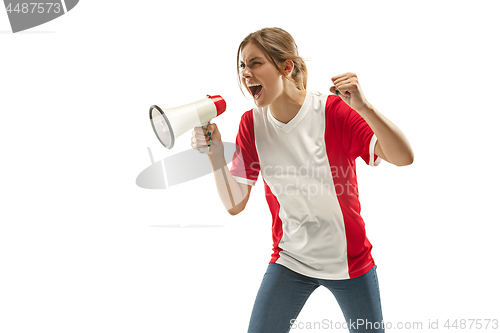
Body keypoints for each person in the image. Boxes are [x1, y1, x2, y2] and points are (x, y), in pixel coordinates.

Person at [191, 27, 413, 333]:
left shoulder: (333, 111)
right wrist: (214, 153)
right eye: (242, 65)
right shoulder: (251, 124)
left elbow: (404, 157)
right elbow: (235, 203)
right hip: (290, 259)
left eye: (255, 63)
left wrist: (364, 108)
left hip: (349, 261)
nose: (246, 73)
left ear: (286, 66)